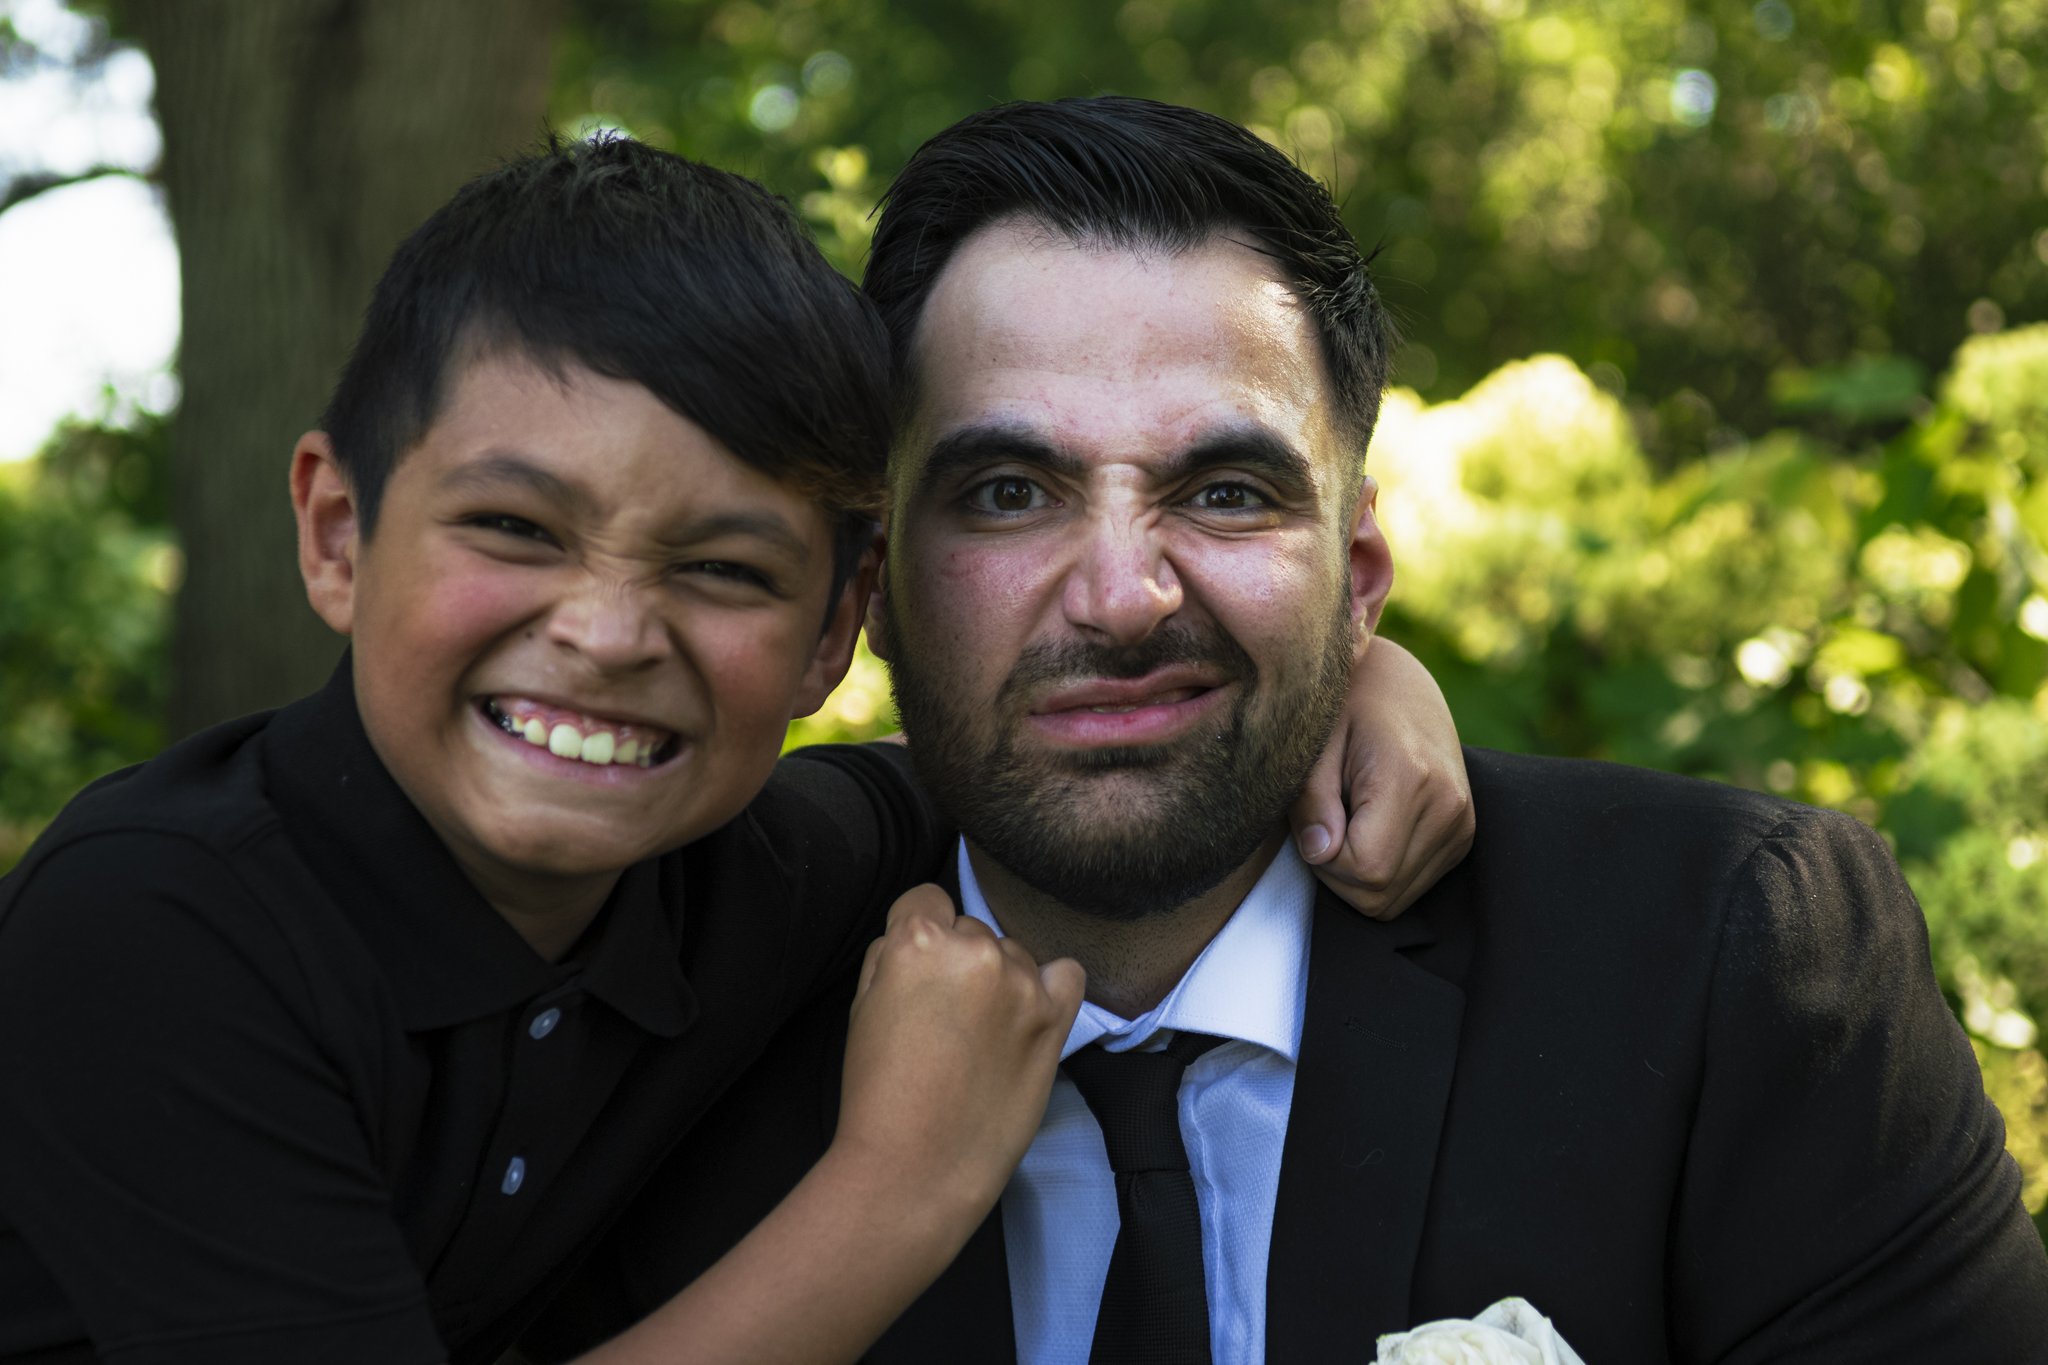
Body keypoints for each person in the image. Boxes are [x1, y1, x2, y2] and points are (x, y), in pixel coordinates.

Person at [522, 99, 2048, 1363]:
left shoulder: (1733, 962)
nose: (1123, 595)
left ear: (1360, 573)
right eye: (1009, 492)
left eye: (1228, 492)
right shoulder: (664, 1017)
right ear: (872, 586)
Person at [0, 134, 1472, 1365]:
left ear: (838, 626)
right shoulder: (156, 922)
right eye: (515, 529)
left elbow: (1018, 749)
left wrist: (1341, 671)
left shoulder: (747, 873)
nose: (608, 634)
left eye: (721, 569)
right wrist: (899, 1185)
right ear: (337, 532)